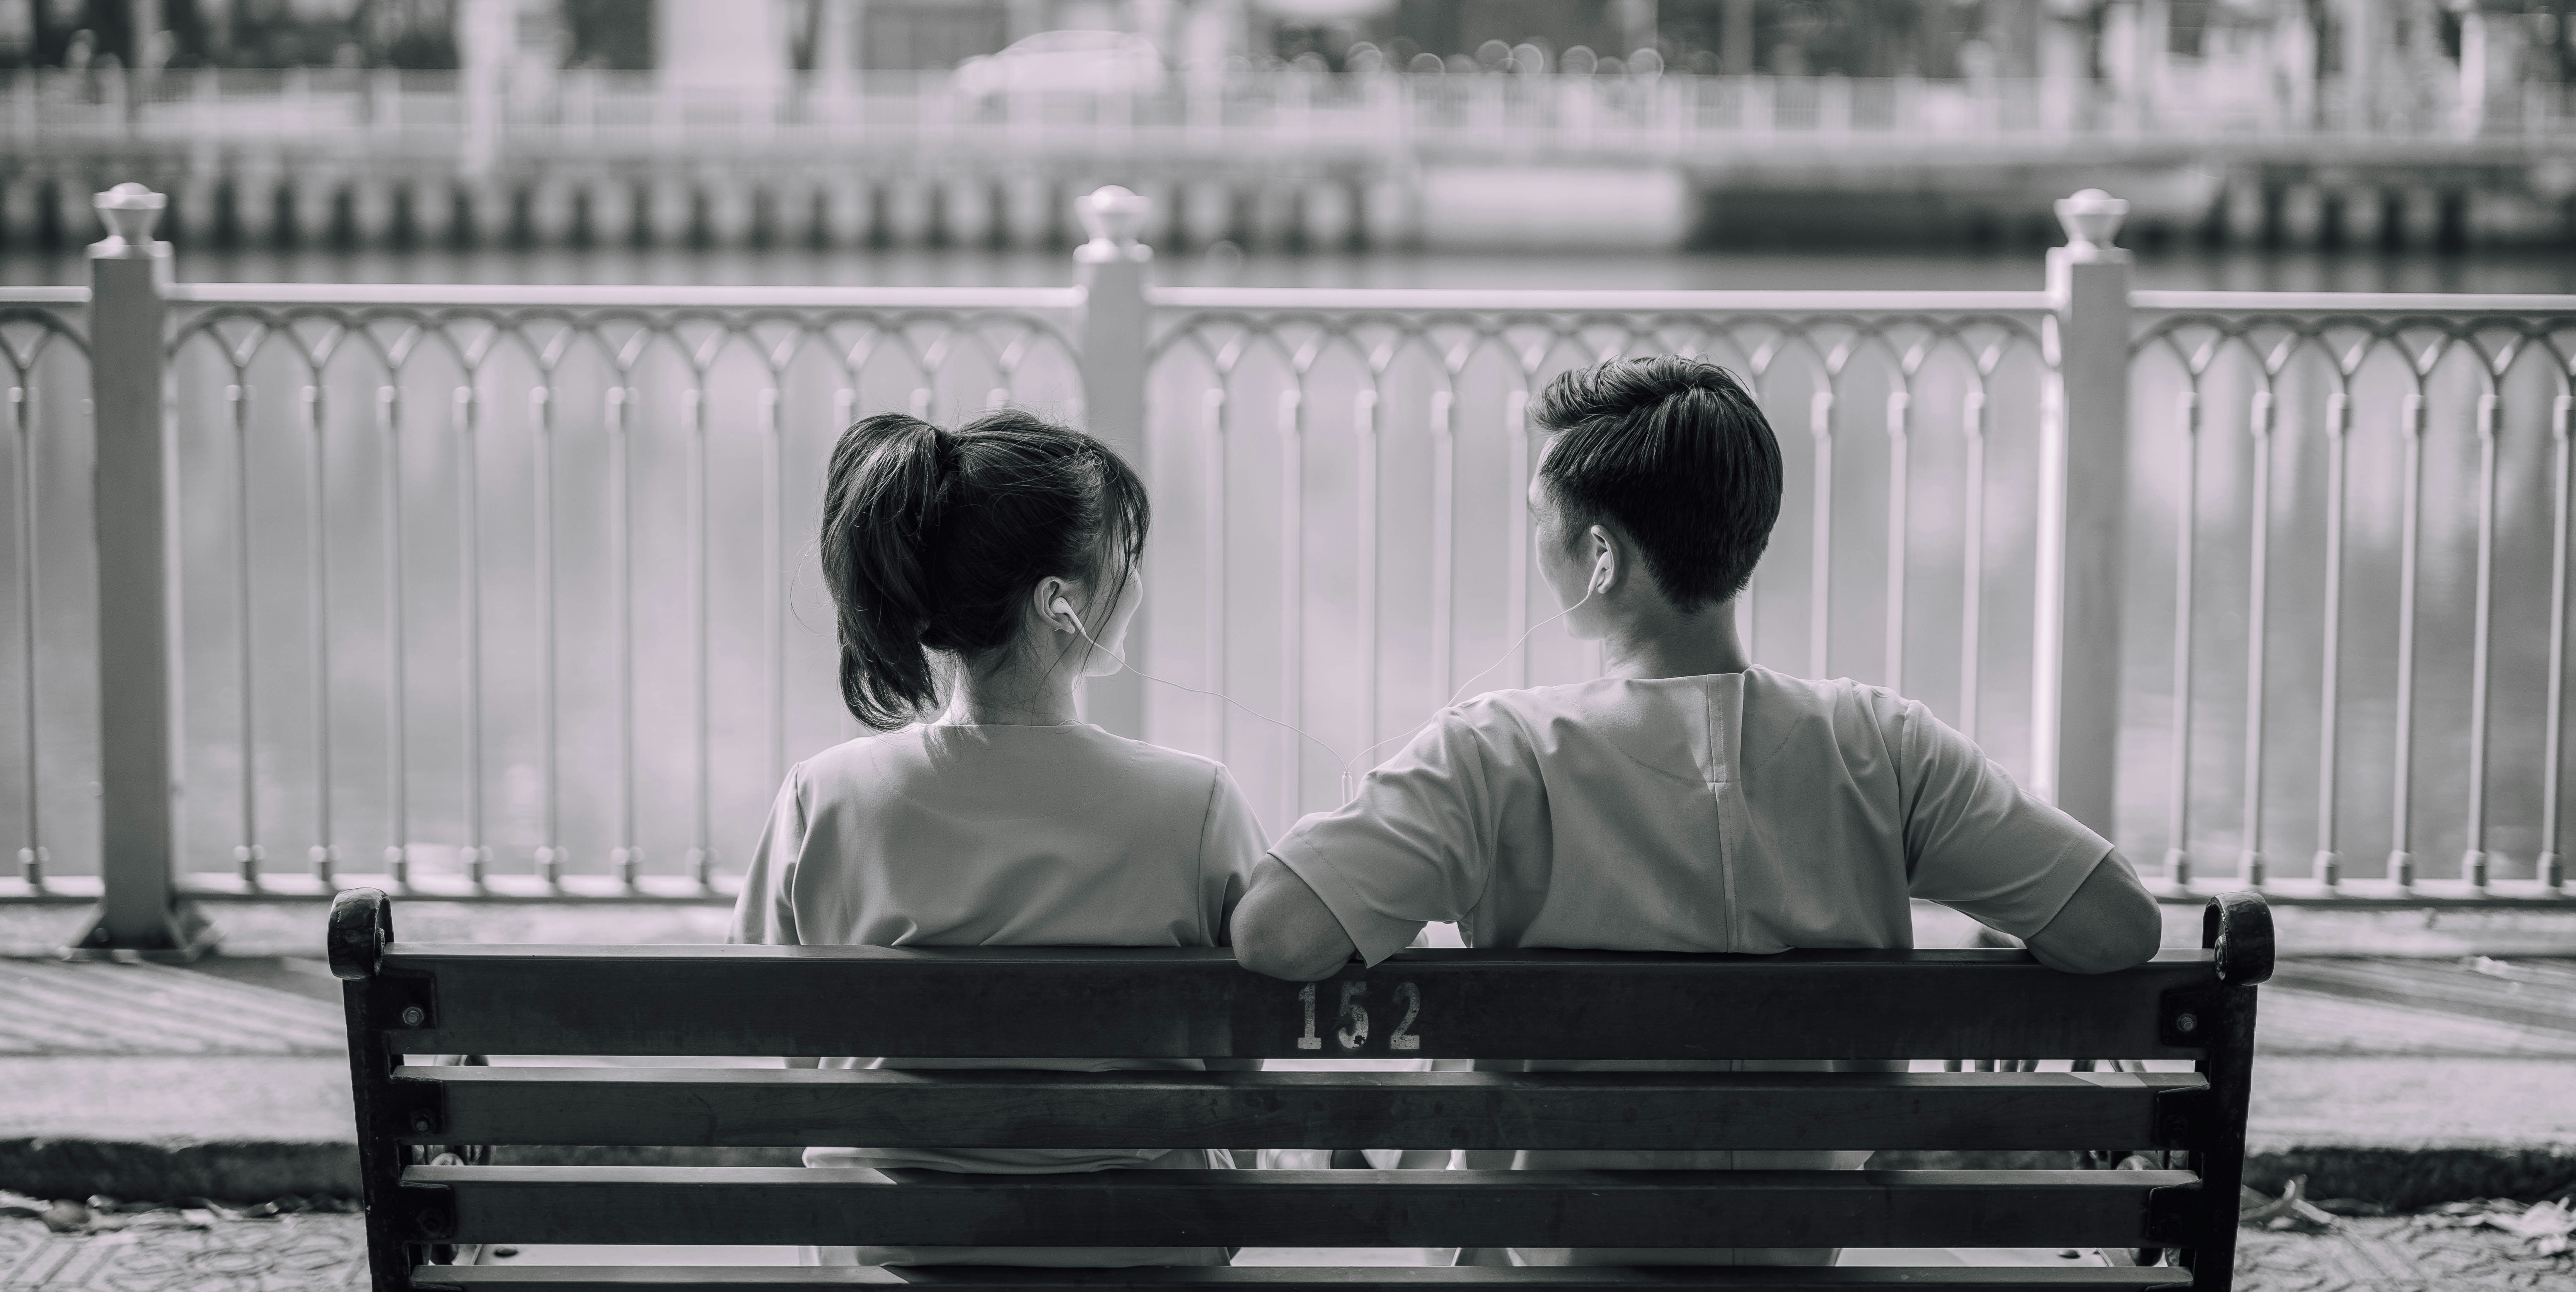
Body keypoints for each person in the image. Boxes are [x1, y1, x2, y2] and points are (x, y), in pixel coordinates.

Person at [1231, 354, 2163, 1269]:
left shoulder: (1490, 754)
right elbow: (2116, 925)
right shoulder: (1882, 744)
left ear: (1598, 557)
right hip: (1796, 1257)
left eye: (1536, 520)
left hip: (1558, 1259)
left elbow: (1275, 934)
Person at [731, 408, 1267, 1270]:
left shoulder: (822, 797)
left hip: (889, 1253)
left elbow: (781, 1043)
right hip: (1143, 1255)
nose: (1137, 584)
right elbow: (1244, 1069)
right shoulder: (1195, 804)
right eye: (1124, 561)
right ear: (1060, 602)